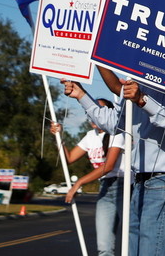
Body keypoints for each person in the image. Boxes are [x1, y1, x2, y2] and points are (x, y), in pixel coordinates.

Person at [65, 74, 165, 256]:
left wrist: (142, 99)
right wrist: (81, 95)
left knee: (151, 251)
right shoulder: (133, 81)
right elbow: (113, 124)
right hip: (138, 182)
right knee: (131, 250)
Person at [50, 97, 124, 256]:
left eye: (98, 111)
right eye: (90, 112)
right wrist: (59, 138)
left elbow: (108, 166)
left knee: (131, 240)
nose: (93, 116)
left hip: (125, 187)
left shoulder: (117, 132)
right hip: (105, 188)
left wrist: (79, 183)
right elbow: (69, 158)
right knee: (104, 247)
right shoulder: (90, 136)